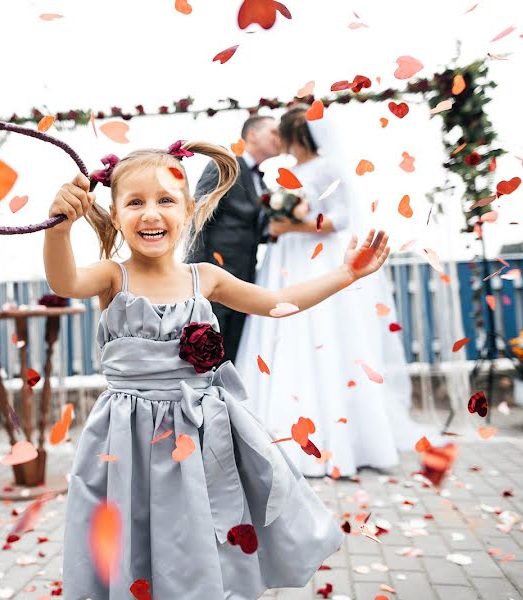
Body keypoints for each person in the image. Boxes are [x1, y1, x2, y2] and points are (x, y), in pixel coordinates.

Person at [44, 140, 391, 599]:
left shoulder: (204, 277)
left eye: (165, 200)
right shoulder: (112, 277)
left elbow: (274, 304)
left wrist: (345, 274)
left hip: (198, 433)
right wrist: (58, 232)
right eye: (135, 202)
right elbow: (64, 281)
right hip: (127, 438)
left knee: (195, 531)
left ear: (188, 209)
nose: (151, 213)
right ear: (116, 211)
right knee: (135, 526)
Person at [235, 105, 421, 477]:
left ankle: (338, 439)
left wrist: (290, 228)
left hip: (316, 260)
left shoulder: (328, 166)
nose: (277, 142)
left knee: (322, 336)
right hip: (284, 262)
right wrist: (281, 221)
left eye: (281, 135)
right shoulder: (289, 172)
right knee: (280, 335)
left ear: (294, 136)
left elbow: (341, 219)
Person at [185, 115, 280, 365]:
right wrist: (194, 275)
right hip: (213, 277)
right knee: (206, 355)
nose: (279, 138)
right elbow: (198, 215)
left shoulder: (263, 183)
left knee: (232, 356)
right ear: (252, 135)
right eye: (274, 132)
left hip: (245, 280)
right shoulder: (223, 165)